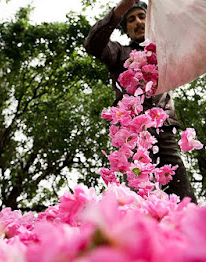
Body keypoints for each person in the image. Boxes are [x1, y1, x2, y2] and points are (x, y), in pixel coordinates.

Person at [84, 0, 197, 203]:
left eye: (142, 16)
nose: (137, 22)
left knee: (182, 192)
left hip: (165, 127)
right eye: (131, 19)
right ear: (126, 29)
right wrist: (120, 9)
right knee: (137, 191)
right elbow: (93, 45)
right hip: (131, 132)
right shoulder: (119, 53)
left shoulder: (166, 51)